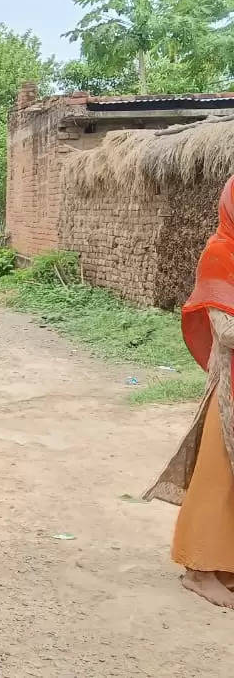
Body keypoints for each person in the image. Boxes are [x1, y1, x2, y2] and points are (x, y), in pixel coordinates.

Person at [147, 177, 234, 609]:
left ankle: (226, 564)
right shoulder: (220, 253)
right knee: (218, 474)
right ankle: (200, 569)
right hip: (232, 387)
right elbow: (226, 330)